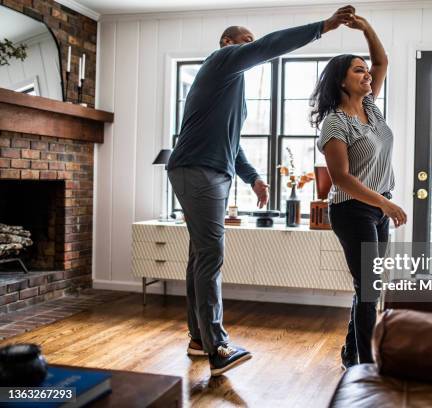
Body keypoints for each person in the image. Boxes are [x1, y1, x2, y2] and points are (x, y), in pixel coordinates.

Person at [166, 5, 357, 377]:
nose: (251, 47)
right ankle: (218, 345)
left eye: (250, 43)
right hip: (198, 171)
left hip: (208, 172)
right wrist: (324, 26)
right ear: (227, 43)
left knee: (200, 256)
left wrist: (252, 177)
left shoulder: (231, 88)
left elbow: (231, 143)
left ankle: (198, 338)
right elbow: (270, 44)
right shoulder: (221, 62)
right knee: (210, 255)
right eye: (245, 41)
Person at [311, 15, 407, 368]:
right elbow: (341, 178)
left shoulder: (370, 107)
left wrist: (365, 29)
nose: (367, 74)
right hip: (352, 210)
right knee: (369, 289)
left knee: (369, 287)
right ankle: (367, 367)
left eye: (366, 71)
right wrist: (385, 203)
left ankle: (353, 355)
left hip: (378, 208)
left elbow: (382, 62)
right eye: (357, 71)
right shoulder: (335, 122)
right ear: (341, 81)